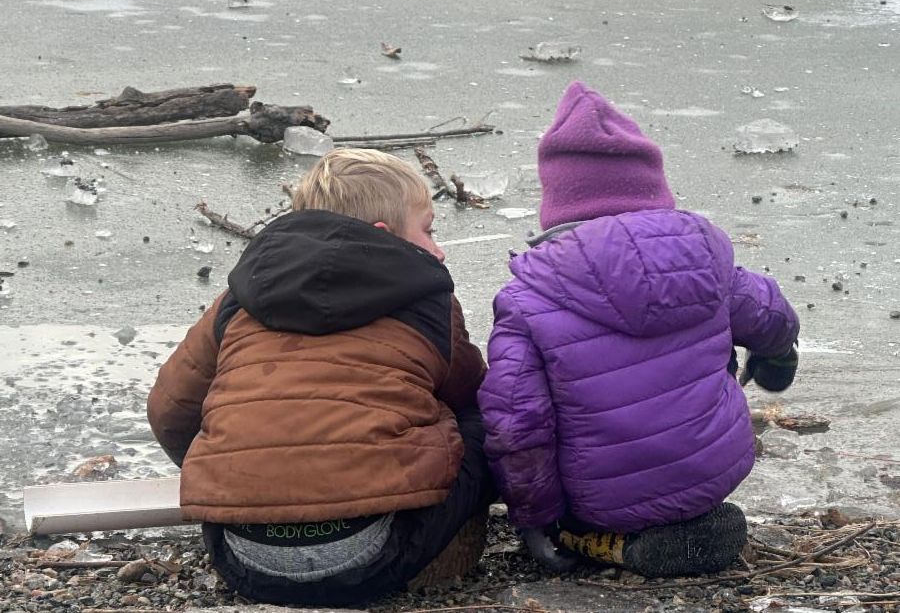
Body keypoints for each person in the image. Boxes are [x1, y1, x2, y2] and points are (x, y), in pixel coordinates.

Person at [478, 82, 799, 578]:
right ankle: (686, 528)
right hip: (714, 469)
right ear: (654, 187)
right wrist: (779, 358)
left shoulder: (527, 298)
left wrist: (535, 519)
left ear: (556, 201)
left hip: (601, 497)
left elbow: (518, 422)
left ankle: (596, 541)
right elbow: (772, 313)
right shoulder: (706, 261)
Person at [147, 148, 493, 606]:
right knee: (477, 420)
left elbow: (169, 412)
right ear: (385, 236)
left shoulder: (238, 300)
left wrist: (241, 475)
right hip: (374, 558)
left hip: (242, 558)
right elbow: (475, 395)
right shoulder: (429, 303)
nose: (438, 250)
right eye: (428, 231)